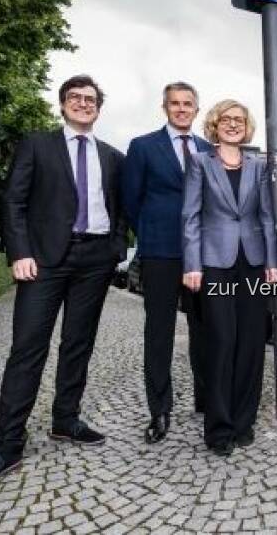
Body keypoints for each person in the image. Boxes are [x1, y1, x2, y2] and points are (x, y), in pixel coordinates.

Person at [0, 75, 127, 497]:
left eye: (90, 100)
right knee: (28, 347)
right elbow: (13, 199)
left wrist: (115, 248)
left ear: (98, 108)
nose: (83, 104)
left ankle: (65, 420)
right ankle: (7, 445)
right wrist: (20, 252)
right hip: (45, 260)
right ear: (63, 104)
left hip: (95, 260)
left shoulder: (112, 156)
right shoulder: (37, 144)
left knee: (78, 343)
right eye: (75, 98)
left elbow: (119, 205)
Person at [181, 99, 277, 456]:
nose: (233, 124)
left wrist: (272, 259)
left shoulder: (259, 165)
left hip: (253, 262)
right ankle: (218, 429)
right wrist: (192, 264)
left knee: (252, 344)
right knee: (221, 342)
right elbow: (190, 216)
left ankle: (243, 422)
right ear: (215, 124)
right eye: (227, 119)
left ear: (246, 125)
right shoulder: (199, 163)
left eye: (239, 119)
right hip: (215, 263)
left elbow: (267, 215)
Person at [122, 82, 211, 444]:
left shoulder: (209, 148)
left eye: (187, 104)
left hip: (203, 256)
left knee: (205, 330)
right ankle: (159, 410)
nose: (181, 109)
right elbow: (130, 199)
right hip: (160, 253)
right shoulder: (143, 147)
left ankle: (206, 400)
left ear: (196, 108)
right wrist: (149, 232)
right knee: (158, 334)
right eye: (174, 103)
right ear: (165, 107)